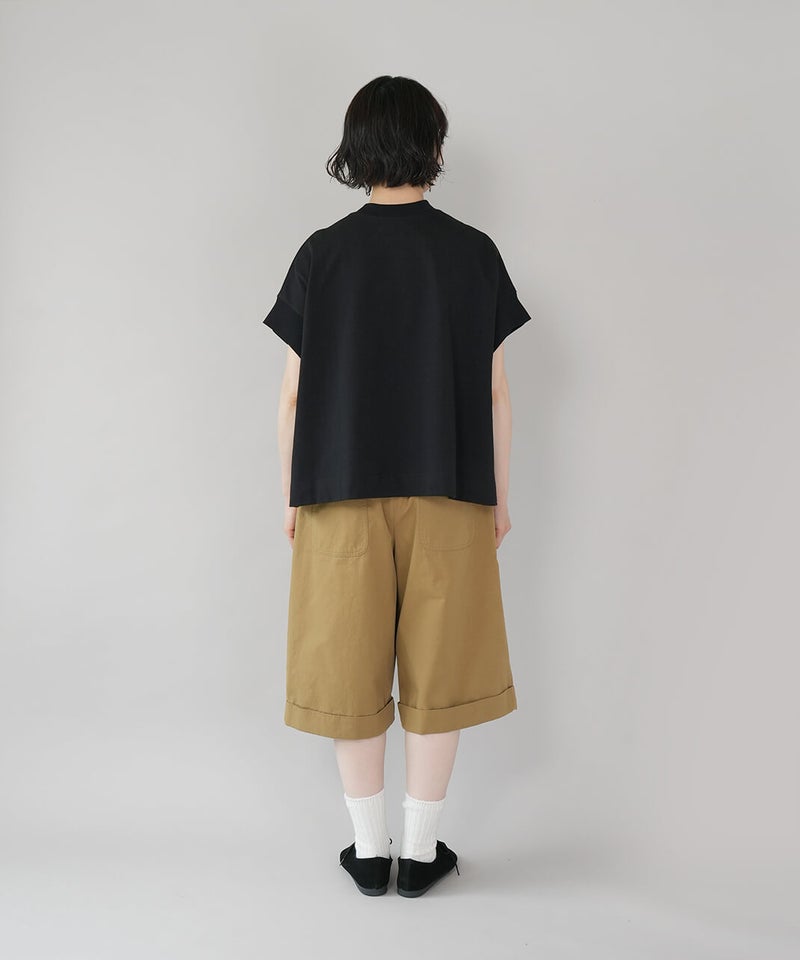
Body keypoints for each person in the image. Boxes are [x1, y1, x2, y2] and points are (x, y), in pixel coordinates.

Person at [261, 75, 532, 897]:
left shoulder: (323, 253)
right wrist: (500, 498)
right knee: (441, 675)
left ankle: (368, 852)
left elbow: (291, 396)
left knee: (347, 673)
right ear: (432, 146)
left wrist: (292, 495)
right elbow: (496, 391)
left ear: (356, 150)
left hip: (338, 492)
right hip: (449, 489)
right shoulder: (473, 252)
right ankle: (420, 855)